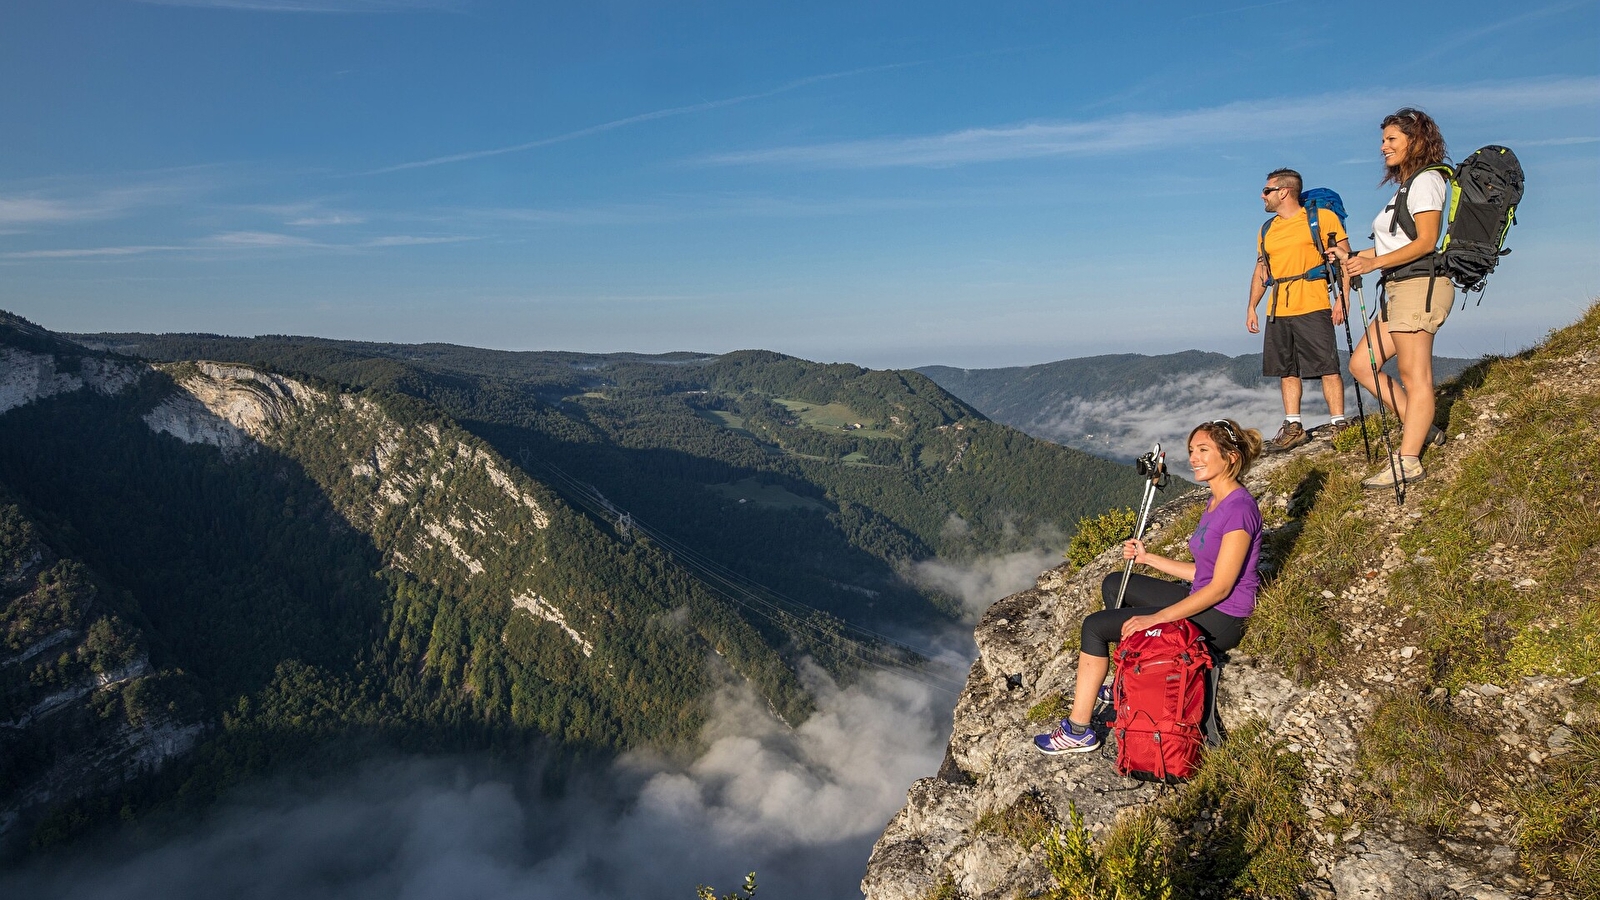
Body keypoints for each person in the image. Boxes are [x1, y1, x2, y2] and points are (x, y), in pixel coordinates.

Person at [1034, 419, 1264, 754]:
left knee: (1095, 627)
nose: (1194, 458)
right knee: (1116, 583)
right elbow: (1205, 572)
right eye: (1191, 451)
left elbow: (1220, 587)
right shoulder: (1217, 502)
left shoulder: (1240, 509)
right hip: (1204, 598)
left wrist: (1157, 619)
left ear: (1230, 456)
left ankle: (1079, 729)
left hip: (1222, 617)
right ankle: (1128, 677)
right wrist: (1149, 559)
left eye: (1203, 450)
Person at [1330, 108, 1451, 490]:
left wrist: (1374, 263)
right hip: (1398, 287)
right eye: (1383, 140)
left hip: (1419, 286)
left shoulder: (1428, 181)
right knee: (1362, 365)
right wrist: (1358, 259)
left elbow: (1427, 241)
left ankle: (1409, 460)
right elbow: (1398, 242)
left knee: (1417, 378)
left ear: (1415, 140)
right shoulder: (1406, 186)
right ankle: (1423, 427)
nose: (1383, 147)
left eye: (1391, 139)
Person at [1247, 168, 1352, 453]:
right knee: (1287, 369)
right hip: (1278, 307)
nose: (1262, 195)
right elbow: (1262, 270)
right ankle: (1293, 425)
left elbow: (1345, 259)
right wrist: (1252, 306)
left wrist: (1343, 298)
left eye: (1267, 190)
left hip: (1314, 302)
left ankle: (1339, 422)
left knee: (1328, 365)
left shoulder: (1322, 219)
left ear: (1284, 192)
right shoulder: (1266, 229)